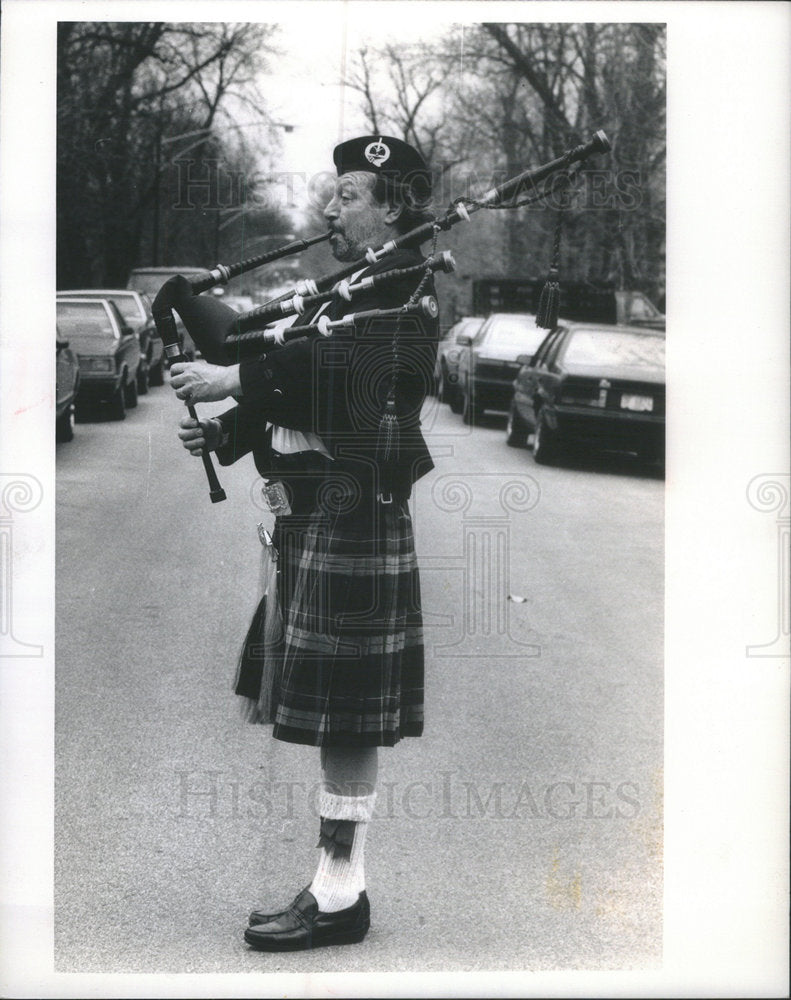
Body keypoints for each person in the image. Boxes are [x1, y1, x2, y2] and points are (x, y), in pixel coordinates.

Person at [169, 135, 439, 951]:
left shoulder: (407, 288)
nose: (330, 208)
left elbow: (337, 371)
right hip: (311, 519)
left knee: (346, 725)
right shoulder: (350, 287)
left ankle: (337, 894)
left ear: (392, 204)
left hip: (351, 518)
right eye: (334, 193)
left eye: (348, 194)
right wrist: (227, 428)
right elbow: (278, 356)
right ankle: (336, 888)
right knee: (333, 722)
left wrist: (238, 380)